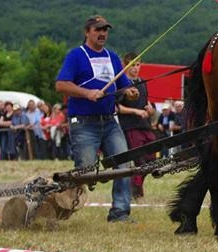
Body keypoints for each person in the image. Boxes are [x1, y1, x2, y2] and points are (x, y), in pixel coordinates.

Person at [55, 14, 137, 223]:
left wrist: (130, 92)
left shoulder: (113, 57)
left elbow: (123, 84)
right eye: (97, 30)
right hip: (84, 123)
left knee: (124, 165)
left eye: (105, 30)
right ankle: (59, 203)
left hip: (109, 121)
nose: (102, 34)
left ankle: (120, 212)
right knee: (86, 171)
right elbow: (61, 85)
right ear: (87, 32)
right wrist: (87, 93)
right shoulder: (76, 55)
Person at [117, 53, 158, 198]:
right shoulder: (121, 84)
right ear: (125, 65)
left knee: (152, 160)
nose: (135, 68)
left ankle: (134, 183)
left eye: (138, 65)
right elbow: (117, 108)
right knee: (139, 159)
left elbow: (147, 101)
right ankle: (137, 192)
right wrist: (136, 111)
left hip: (145, 125)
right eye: (132, 65)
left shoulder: (142, 82)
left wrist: (150, 109)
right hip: (130, 126)